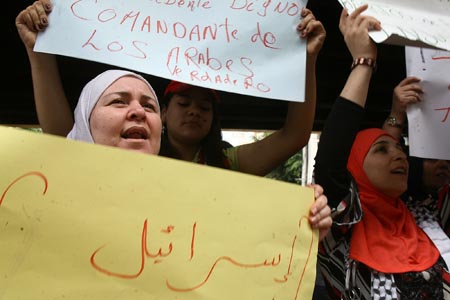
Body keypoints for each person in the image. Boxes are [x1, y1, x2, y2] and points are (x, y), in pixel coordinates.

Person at [16, 0, 333, 240]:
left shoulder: (226, 163)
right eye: (183, 103)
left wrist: (305, 62)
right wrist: (39, 52)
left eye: (205, 108)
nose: (195, 112)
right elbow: (61, 135)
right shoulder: (88, 161)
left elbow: (294, 135)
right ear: (166, 113)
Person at [313, 4, 449, 299]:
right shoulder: (339, 230)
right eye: (381, 150)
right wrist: (364, 62)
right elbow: (330, 159)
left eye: (401, 150)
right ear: (355, 169)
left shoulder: (426, 217)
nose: (400, 155)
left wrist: (398, 114)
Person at [383, 76, 450, 236]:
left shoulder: (446, 201)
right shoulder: (398, 200)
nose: (443, 164)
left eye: (448, 161)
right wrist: (396, 113)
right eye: (432, 159)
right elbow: (387, 145)